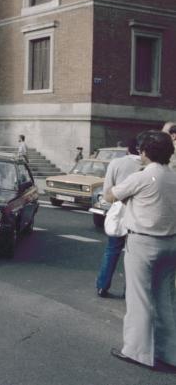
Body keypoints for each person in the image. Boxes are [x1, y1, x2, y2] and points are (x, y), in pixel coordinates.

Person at [105, 131, 176, 371]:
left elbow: (110, 195)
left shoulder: (144, 176)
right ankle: (170, 354)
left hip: (144, 243)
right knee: (165, 299)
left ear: (145, 152)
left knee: (139, 300)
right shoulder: (173, 176)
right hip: (170, 243)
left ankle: (138, 352)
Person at [95, 138, 140, 299]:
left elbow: (108, 194)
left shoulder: (117, 163)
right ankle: (129, 291)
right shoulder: (148, 167)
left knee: (112, 250)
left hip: (120, 211)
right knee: (134, 255)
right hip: (140, 215)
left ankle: (102, 286)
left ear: (128, 148)